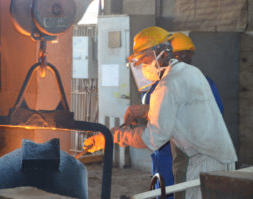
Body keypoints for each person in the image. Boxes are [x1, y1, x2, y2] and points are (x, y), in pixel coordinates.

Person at [83, 26, 237, 199]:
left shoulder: (166, 86)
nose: (143, 66)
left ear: (161, 53)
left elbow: (152, 139)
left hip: (197, 164)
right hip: (221, 160)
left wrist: (113, 136)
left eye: (145, 60)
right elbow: (184, 111)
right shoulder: (191, 73)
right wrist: (145, 110)